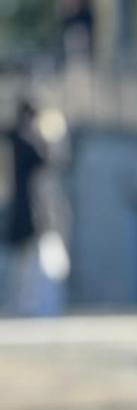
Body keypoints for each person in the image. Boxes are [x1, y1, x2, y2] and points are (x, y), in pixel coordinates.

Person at [3, 101, 47, 315]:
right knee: (21, 260)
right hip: (20, 209)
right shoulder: (25, 144)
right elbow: (46, 161)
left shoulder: (12, 139)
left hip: (16, 208)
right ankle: (19, 302)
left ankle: (17, 302)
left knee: (18, 259)